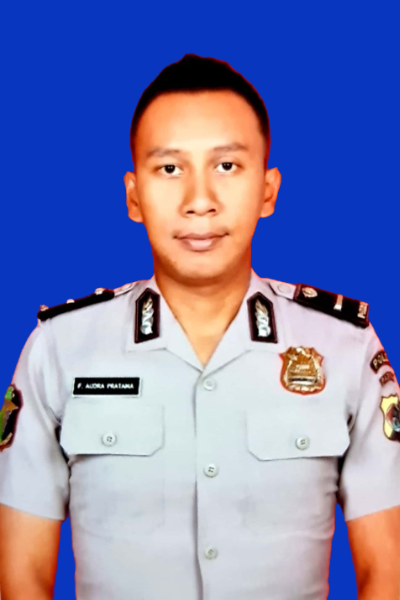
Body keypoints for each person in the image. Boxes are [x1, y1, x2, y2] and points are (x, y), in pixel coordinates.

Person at [0, 53, 399, 600]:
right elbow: (20, 577)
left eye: (226, 166)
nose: (199, 202)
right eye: (170, 169)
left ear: (268, 190)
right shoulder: (61, 349)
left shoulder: (345, 347)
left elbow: (388, 572)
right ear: (134, 195)